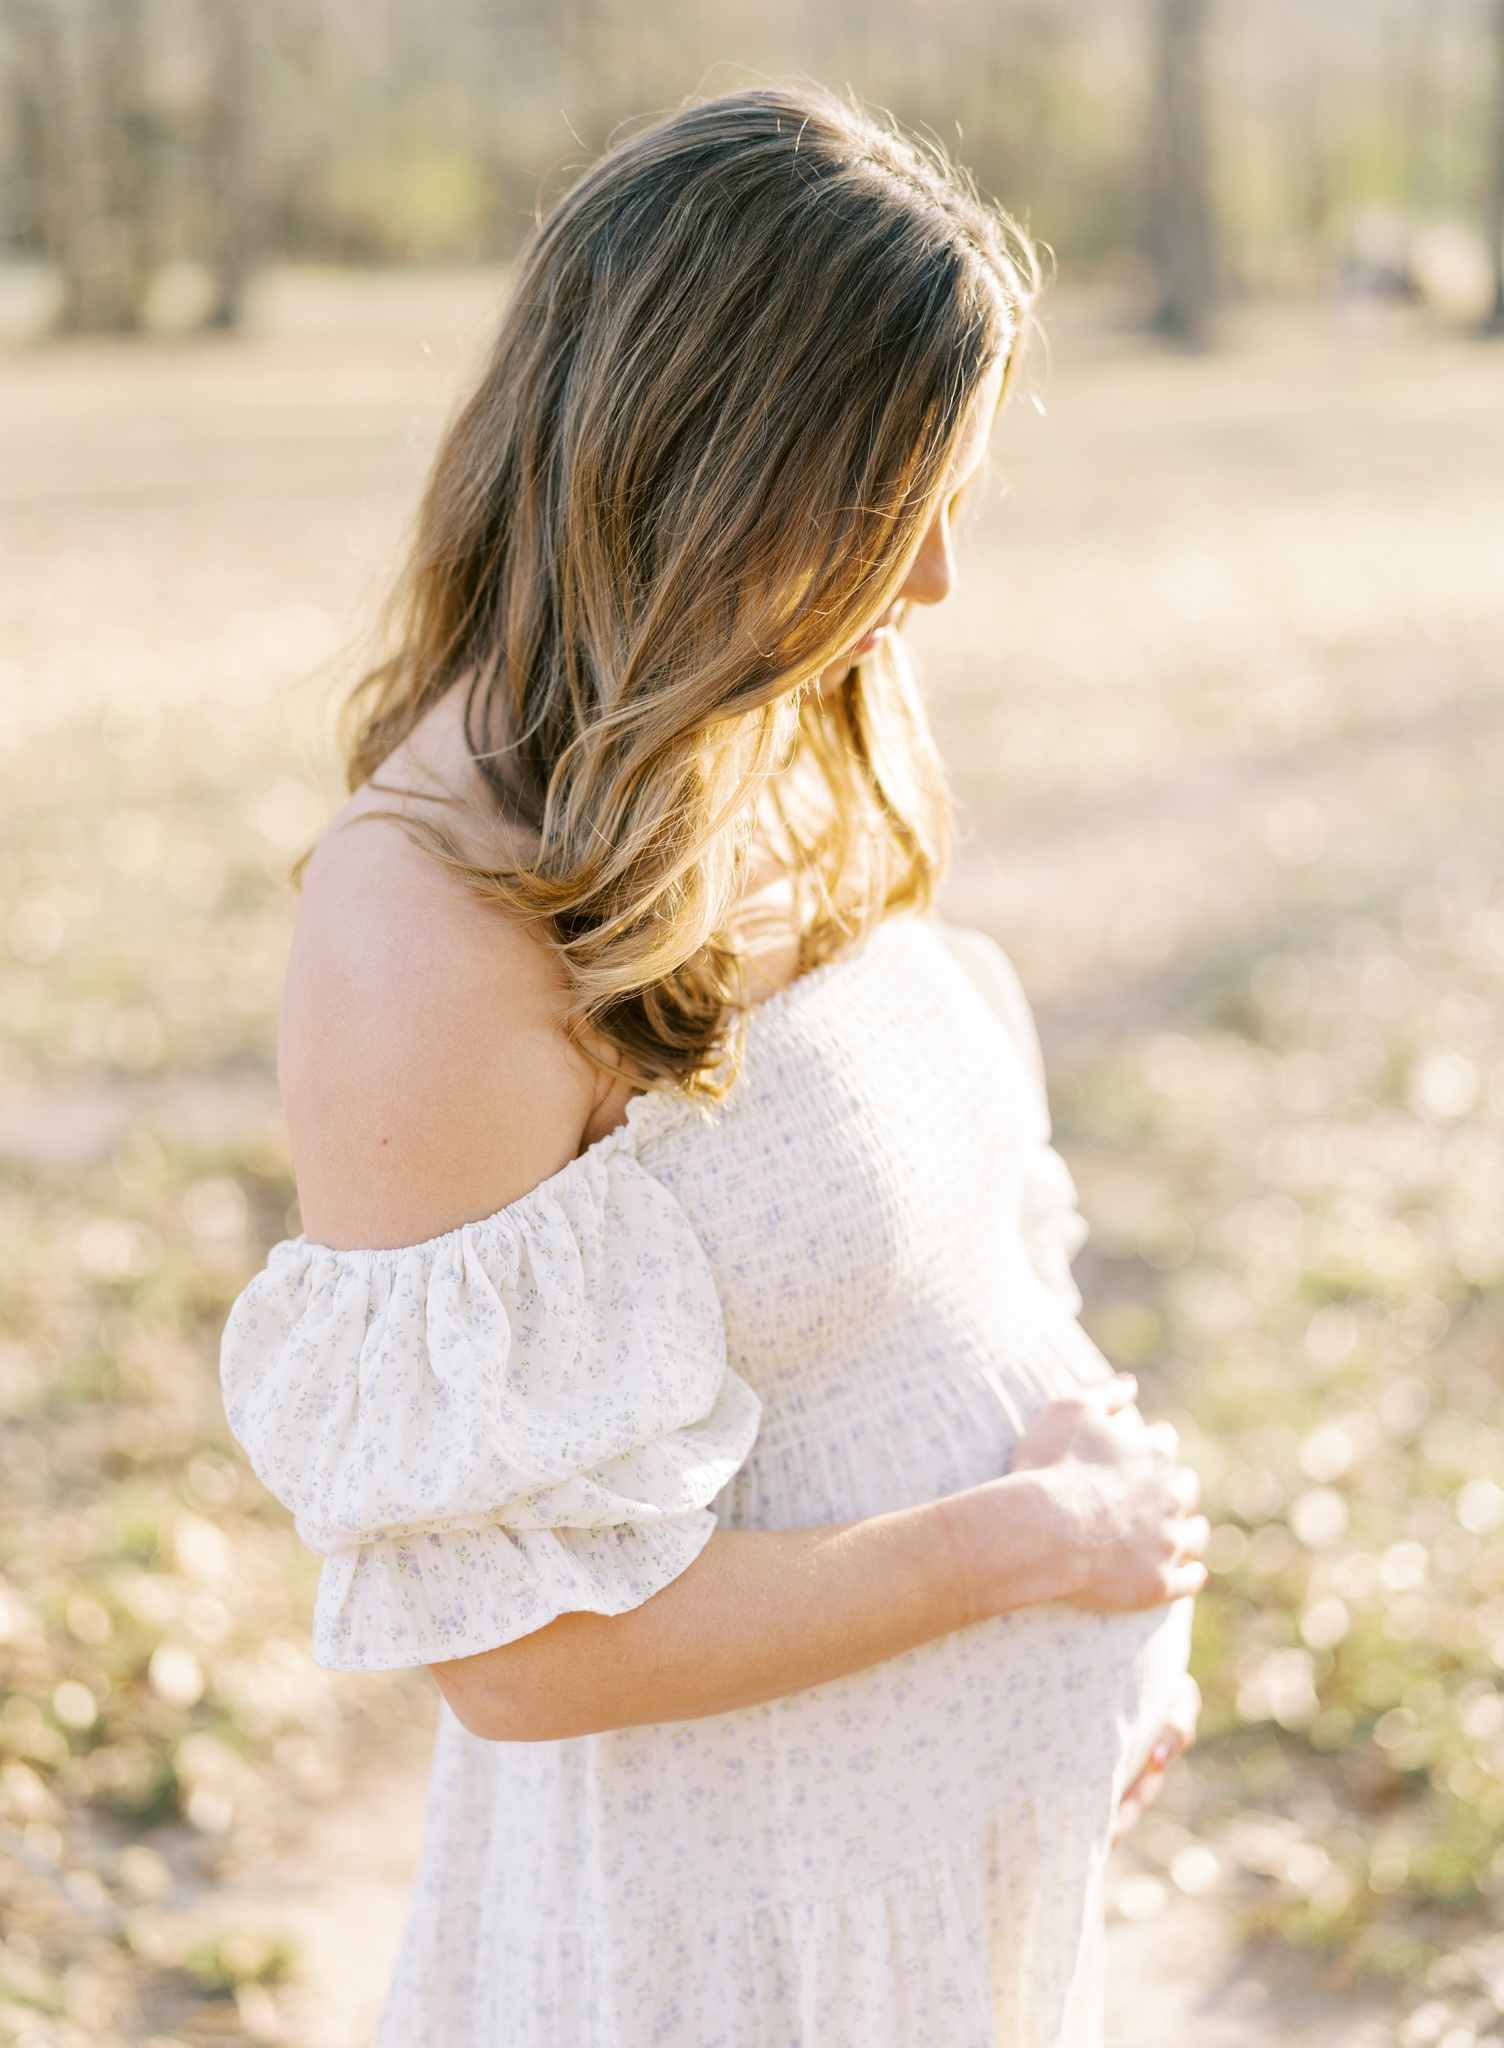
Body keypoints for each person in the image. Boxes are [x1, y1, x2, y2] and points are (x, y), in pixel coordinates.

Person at [221, 86, 1208, 2048]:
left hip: (931, 1913)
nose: (925, 581)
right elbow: (510, 1654)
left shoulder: (768, 725)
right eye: (887, 502)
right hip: (722, 1949)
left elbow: (943, 1261)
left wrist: (1115, 1621)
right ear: (707, 469)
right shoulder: (429, 926)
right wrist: (1028, 1549)